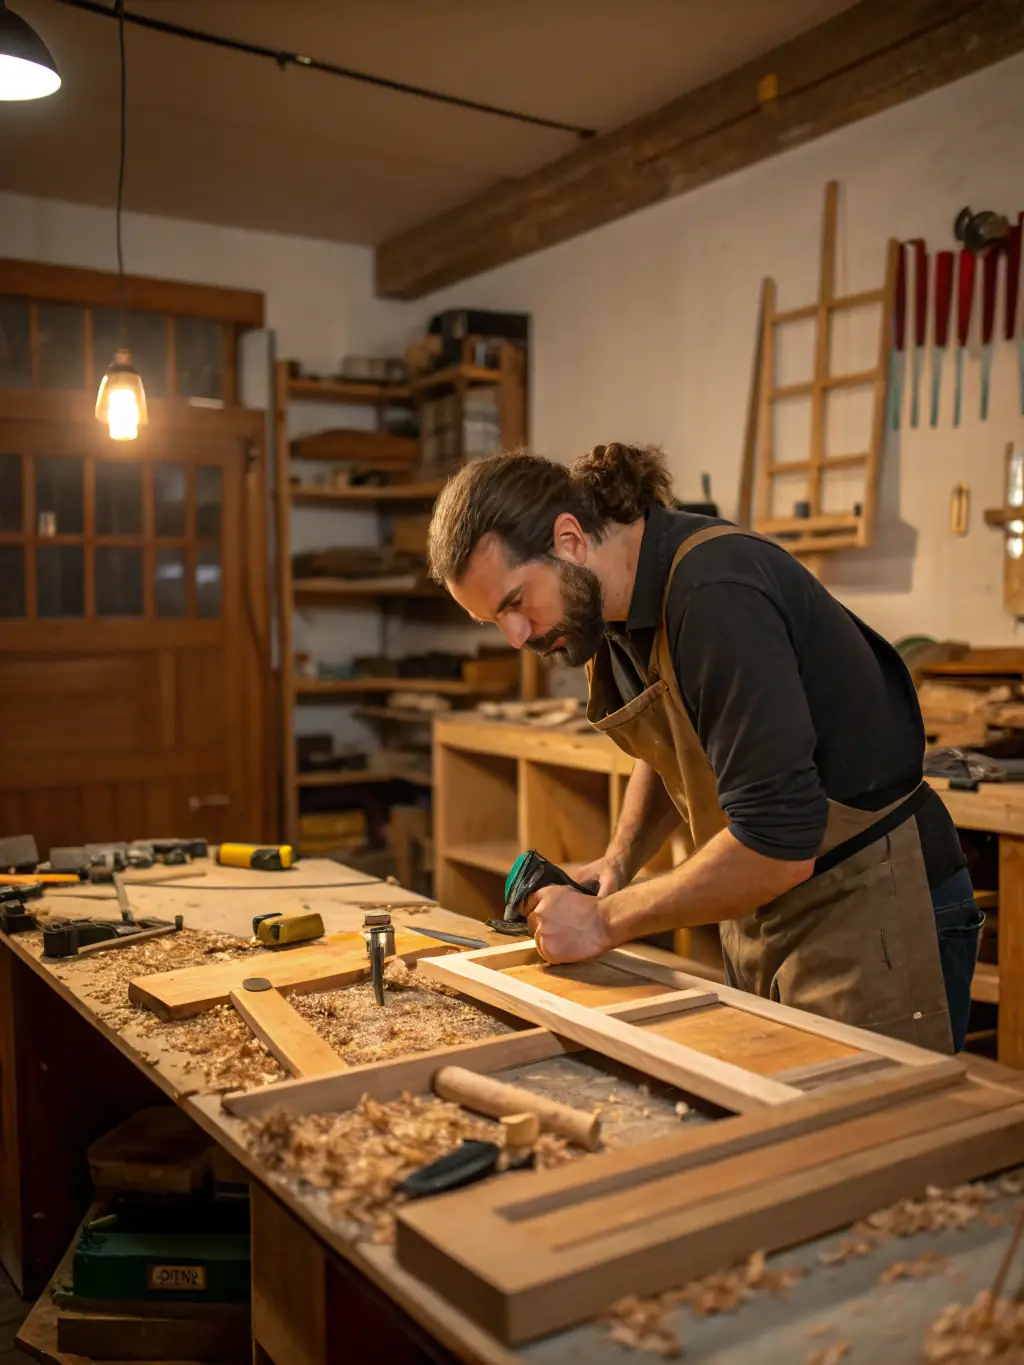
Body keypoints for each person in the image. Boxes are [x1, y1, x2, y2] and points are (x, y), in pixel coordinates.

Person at [427, 443, 983, 1054]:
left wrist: (602, 922)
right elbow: (674, 740)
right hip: (770, 901)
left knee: (862, 1140)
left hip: (870, 901)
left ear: (569, 540)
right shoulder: (603, 605)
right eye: (494, 622)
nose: (516, 637)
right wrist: (619, 861)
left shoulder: (714, 595)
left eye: (514, 603)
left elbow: (779, 842)